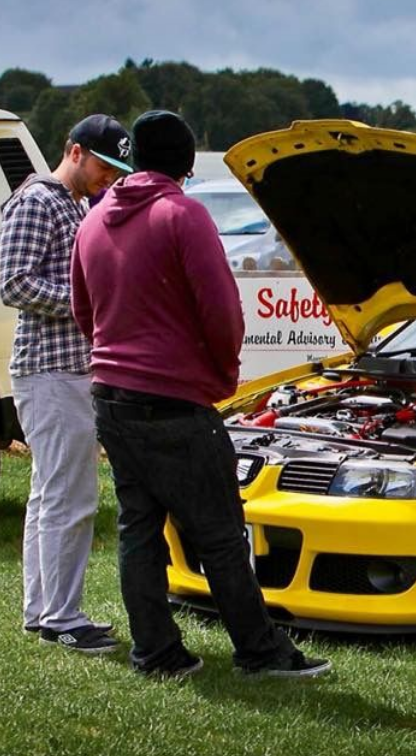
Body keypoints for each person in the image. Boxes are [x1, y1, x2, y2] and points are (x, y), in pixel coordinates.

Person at [70, 110, 331, 679]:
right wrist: (222, 375)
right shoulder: (182, 214)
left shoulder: (93, 220)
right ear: (186, 167)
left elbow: (83, 310)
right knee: (220, 533)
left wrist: (113, 359)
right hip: (174, 399)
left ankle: (156, 651)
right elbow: (222, 312)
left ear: (135, 158)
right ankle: (260, 652)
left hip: (111, 393)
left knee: (138, 529)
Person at [0, 114, 133, 654]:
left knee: (50, 494)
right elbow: (12, 282)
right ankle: (62, 618)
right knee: (71, 497)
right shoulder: (38, 200)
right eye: (105, 164)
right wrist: (89, 303)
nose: (111, 176)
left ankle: (43, 612)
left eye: (118, 168)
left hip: (63, 370)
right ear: (75, 151)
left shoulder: (74, 204)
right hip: (50, 372)